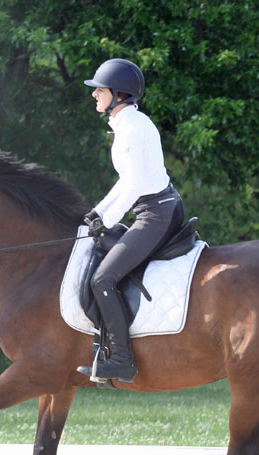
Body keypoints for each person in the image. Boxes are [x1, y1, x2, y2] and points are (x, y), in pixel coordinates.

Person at [77, 58, 185, 384]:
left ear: (118, 93)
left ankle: (122, 361)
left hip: (157, 214)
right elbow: (126, 181)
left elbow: (135, 185)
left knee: (102, 279)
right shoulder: (128, 125)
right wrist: (98, 214)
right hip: (152, 208)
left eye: (100, 90)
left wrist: (106, 218)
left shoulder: (132, 129)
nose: (94, 95)